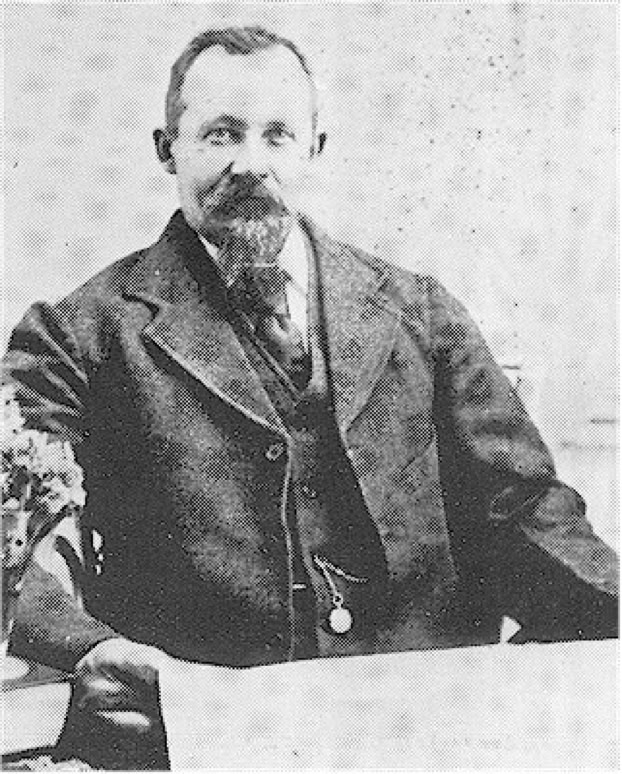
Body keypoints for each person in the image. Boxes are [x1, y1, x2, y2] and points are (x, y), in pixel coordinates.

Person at [3, 25, 618, 765]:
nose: (250, 163)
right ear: (167, 149)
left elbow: (524, 515)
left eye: (277, 135)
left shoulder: (420, 315)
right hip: (206, 733)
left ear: (314, 150)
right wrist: (93, 649)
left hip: (421, 728)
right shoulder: (79, 335)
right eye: (220, 134)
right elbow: (16, 537)